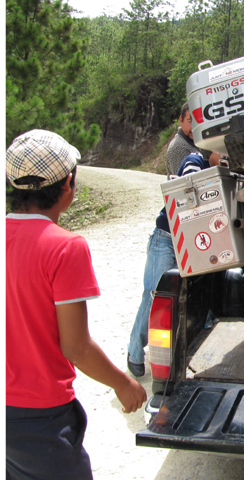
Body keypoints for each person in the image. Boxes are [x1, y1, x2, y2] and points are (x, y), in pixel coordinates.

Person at [6, 129, 148, 479]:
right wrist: (123, 384)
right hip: (41, 416)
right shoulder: (65, 247)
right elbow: (76, 347)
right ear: (68, 184)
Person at [127, 152, 220, 376]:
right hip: (168, 238)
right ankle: (135, 354)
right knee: (155, 295)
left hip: (194, 242)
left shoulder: (225, 170)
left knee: (196, 297)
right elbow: (187, 188)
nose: (226, 153)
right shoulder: (195, 161)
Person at [165, 102, 218, 177]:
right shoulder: (179, 147)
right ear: (181, 120)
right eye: (190, 121)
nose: (194, 127)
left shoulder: (198, 142)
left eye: (198, 122)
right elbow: (184, 182)